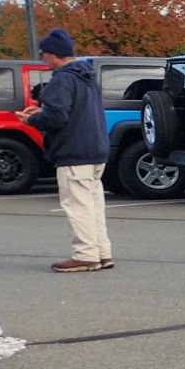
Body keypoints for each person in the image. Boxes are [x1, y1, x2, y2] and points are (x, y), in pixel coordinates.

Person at [25, 28, 113, 272]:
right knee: (94, 204)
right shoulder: (87, 76)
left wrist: (32, 119)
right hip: (96, 149)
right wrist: (42, 113)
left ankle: (85, 255)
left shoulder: (61, 79)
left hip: (74, 151)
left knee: (77, 205)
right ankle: (101, 252)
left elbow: (56, 117)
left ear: (54, 54)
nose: (41, 58)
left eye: (43, 53)